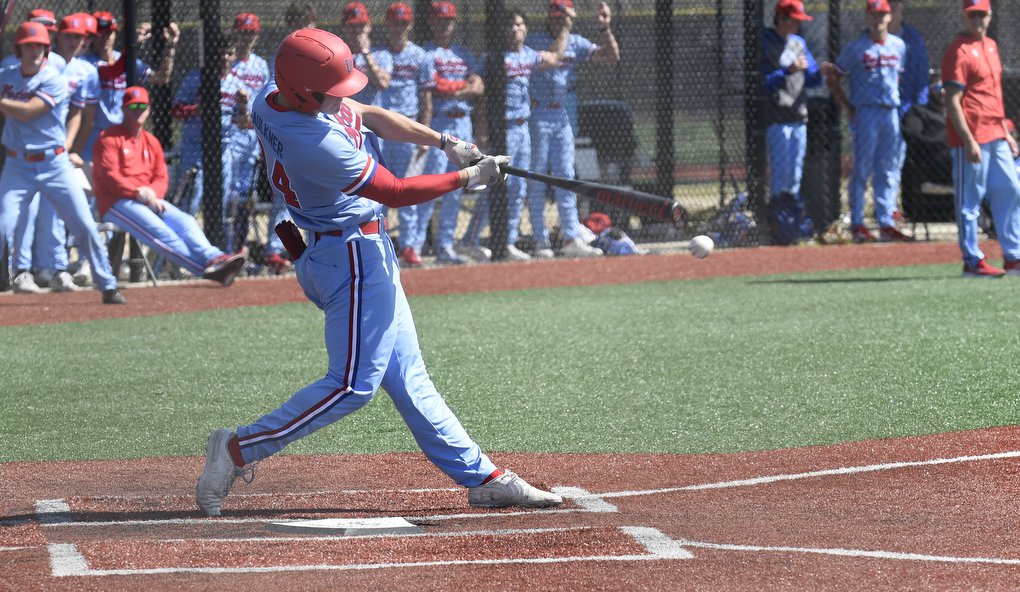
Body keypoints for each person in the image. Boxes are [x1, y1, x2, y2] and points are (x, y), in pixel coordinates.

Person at [196, 28, 561, 516]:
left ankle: (484, 478)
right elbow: (395, 190)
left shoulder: (274, 97)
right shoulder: (314, 142)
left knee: (408, 376)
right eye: (331, 89)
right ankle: (237, 448)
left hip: (338, 249)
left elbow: (368, 114)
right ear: (305, 89)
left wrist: (445, 141)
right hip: (350, 257)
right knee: (352, 385)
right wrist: (468, 177)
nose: (342, 97)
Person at [0, 21, 125, 304]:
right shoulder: (6, 76)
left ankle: (107, 284)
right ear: (18, 49)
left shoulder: (53, 79)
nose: (34, 50)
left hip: (54, 164)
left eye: (39, 46)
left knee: (83, 224)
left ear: (46, 49)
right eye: (28, 45)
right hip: (17, 166)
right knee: (2, 225)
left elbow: (28, 111)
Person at [92, 87, 247, 286]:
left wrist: (153, 195)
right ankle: (207, 270)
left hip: (149, 200)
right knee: (162, 233)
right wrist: (138, 192)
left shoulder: (151, 141)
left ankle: (215, 258)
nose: (138, 111)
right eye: (133, 107)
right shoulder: (109, 138)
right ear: (123, 109)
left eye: (142, 107)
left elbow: (161, 177)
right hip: (116, 202)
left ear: (148, 110)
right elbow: (109, 177)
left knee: (186, 221)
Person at [459, 9, 567, 261]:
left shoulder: (529, 55)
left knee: (518, 188)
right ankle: (469, 241)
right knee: (493, 186)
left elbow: (555, 57)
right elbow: (482, 94)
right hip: (502, 130)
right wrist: (483, 128)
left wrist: (564, 27)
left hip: (523, 128)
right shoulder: (493, 58)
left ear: (525, 28)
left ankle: (507, 243)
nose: (514, 29)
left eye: (519, 24)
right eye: (510, 25)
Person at [8, 12, 97, 293]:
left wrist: (69, 148)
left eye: (48, 29)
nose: (44, 34)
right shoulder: (12, 66)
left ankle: (56, 268)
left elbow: (77, 113)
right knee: (23, 216)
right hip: (20, 157)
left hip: (53, 155)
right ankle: (22, 270)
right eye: (39, 29)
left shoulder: (63, 67)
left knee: (55, 214)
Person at [525, 0, 619, 259]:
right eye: (555, 16)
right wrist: (565, 28)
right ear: (549, 16)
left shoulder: (576, 41)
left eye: (563, 17)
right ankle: (540, 240)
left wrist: (605, 28)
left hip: (561, 115)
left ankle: (570, 237)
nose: (559, 21)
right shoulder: (535, 40)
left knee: (566, 177)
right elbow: (554, 57)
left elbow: (611, 57)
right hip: (537, 114)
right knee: (538, 178)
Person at [941, 0, 1020, 278]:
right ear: (964, 18)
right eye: (972, 15)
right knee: (970, 201)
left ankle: (1014, 257)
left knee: (1011, 190)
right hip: (971, 138)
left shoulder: (992, 46)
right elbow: (952, 101)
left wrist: (1006, 133)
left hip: (996, 134)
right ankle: (972, 261)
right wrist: (968, 140)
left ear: (989, 15)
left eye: (981, 15)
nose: (977, 20)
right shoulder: (958, 51)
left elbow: (993, 95)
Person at [824, 0, 912, 243]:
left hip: (890, 112)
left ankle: (886, 222)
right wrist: (847, 106)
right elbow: (834, 77)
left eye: (883, 14)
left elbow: (899, 78)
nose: (879, 19)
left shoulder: (899, 46)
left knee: (888, 167)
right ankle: (858, 222)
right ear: (867, 17)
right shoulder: (856, 48)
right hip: (866, 112)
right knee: (862, 168)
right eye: (874, 14)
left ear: (889, 16)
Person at [408, 1, 485, 266]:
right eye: (440, 20)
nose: (444, 24)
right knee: (431, 186)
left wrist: (455, 89)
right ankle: (416, 246)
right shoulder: (425, 53)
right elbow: (435, 88)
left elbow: (478, 87)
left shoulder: (463, 53)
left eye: (449, 20)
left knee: (456, 186)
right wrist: (460, 87)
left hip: (463, 124)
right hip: (439, 124)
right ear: (431, 22)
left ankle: (445, 246)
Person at [761, 0, 822, 246]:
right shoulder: (766, 41)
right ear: (782, 19)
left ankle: (793, 227)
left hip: (799, 115)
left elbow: (813, 79)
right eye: (793, 20)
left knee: (794, 173)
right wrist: (786, 71)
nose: (797, 25)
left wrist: (822, 72)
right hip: (777, 116)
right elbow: (762, 82)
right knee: (781, 172)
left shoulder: (799, 43)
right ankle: (778, 226)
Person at [888, 0, 930, 224]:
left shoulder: (912, 38)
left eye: (895, 3)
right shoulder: (868, 38)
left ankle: (894, 208)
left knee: (898, 160)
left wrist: (917, 108)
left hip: (906, 108)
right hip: (875, 110)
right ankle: (878, 211)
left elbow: (921, 74)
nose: (892, 6)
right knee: (873, 164)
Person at [343, 3, 393, 109]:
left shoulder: (382, 54)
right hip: (345, 114)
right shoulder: (339, 54)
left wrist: (365, 53)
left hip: (371, 116)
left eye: (361, 25)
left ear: (369, 26)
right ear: (344, 28)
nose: (357, 31)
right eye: (351, 26)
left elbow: (383, 84)